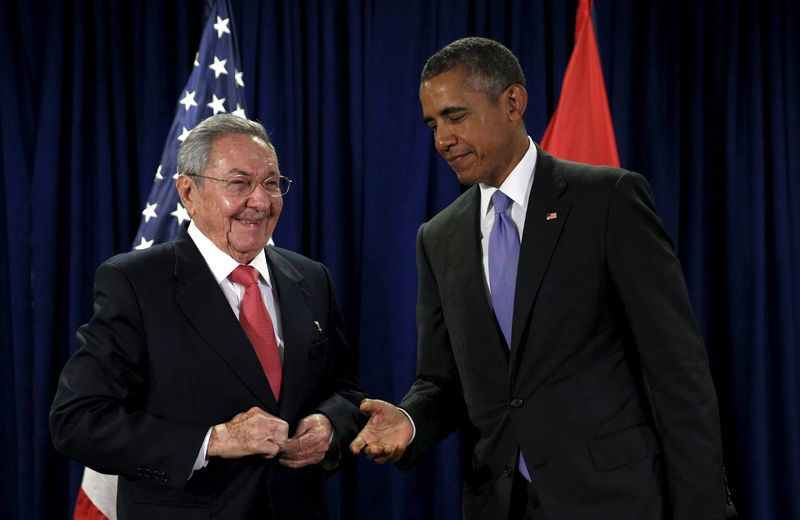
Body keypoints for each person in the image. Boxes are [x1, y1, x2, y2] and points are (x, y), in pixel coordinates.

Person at [350, 37, 734, 520]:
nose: (441, 140)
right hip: (501, 502)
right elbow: (442, 379)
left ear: (512, 102)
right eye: (432, 124)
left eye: (455, 116)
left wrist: (702, 508)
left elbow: (678, 371)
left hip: (616, 499)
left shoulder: (607, 201)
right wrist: (409, 420)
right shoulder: (439, 237)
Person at [50, 114, 365, 519]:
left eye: (271, 183)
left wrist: (329, 424)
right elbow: (76, 421)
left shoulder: (310, 277)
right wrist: (213, 440)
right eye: (239, 184)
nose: (261, 201)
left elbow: (347, 390)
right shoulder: (135, 282)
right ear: (188, 192)